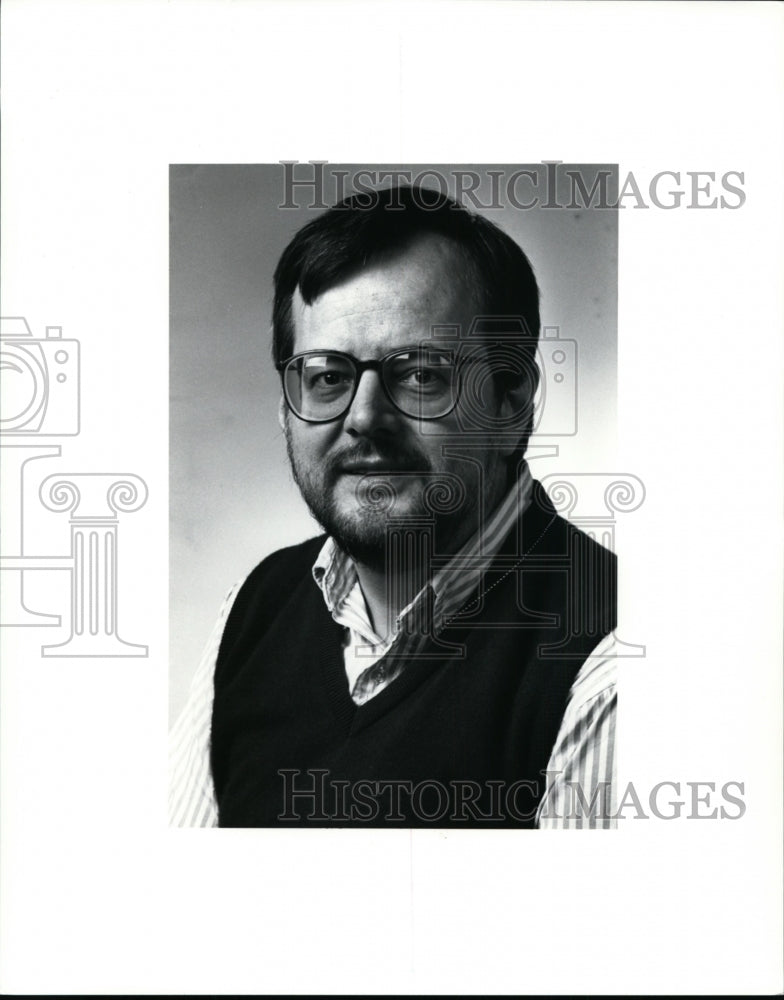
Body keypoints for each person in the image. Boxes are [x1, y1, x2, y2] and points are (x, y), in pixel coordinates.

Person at [169, 184, 618, 829]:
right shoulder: (255, 607)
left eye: (420, 373)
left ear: (512, 401)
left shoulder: (609, 664)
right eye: (327, 376)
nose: (363, 420)